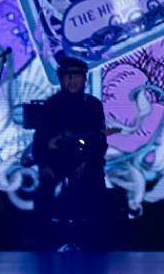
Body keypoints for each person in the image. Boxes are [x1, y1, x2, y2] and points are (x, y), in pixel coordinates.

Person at [22, 55, 108, 251]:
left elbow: (99, 141)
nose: (71, 81)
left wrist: (85, 164)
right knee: (44, 193)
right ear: (61, 79)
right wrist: (44, 165)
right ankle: (45, 242)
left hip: (87, 163)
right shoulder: (52, 105)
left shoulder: (93, 105)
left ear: (84, 79)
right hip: (57, 164)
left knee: (96, 192)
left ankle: (95, 243)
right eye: (67, 76)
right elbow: (40, 140)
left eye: (76, 76)